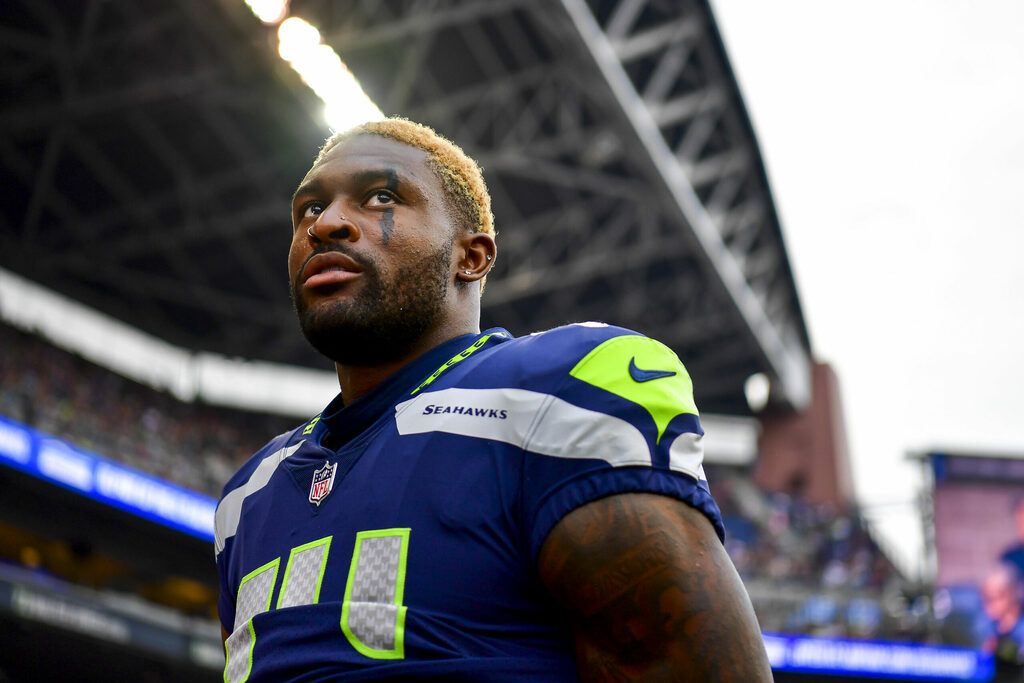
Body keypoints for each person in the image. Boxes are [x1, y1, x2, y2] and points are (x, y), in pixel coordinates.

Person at [214, 117, 771, 682]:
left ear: (472, 257)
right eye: (308, 208)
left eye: (381, 197)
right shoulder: (247, 494)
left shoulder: (562, 385)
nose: (326, 224)